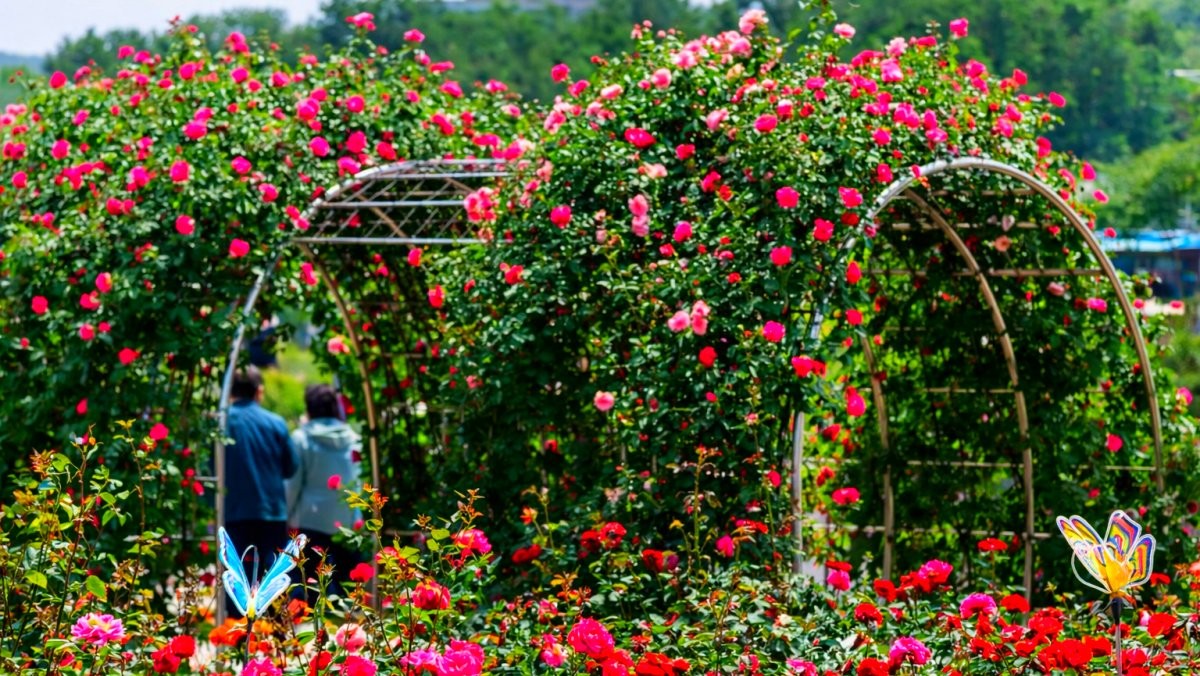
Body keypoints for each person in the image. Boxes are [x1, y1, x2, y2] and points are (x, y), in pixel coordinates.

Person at [223, 365, 298, 615]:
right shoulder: (276, 423)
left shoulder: (222, 422)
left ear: (230, 391)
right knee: (272, 578)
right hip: (271, 511)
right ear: (259, 391)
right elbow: (291, 467)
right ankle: (275, 630)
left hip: (234, 511)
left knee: (237, 577)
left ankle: (236, 630)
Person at [286, 384, 363, 598]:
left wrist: (288, 517)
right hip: (347, 521)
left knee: (308, 586)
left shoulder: (301, 439)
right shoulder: (354, 439)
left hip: (310, 521)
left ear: (309, 408)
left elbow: (293, 484)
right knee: (347, 587)